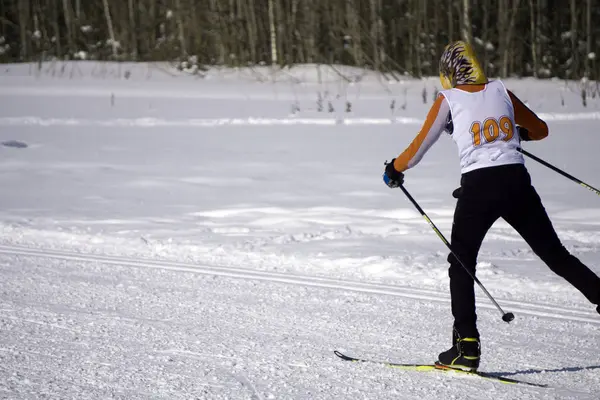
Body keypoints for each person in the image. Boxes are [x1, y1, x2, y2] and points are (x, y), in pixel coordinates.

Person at [382, 40, 600, 371]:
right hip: (516, 183)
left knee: (462, 263)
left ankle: (465, 348)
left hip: (479, 190)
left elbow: (417, 148)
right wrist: (514, 134)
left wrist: (393, 169)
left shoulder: (448, 99)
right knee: (555, 255)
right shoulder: (501, 91)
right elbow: (540, 130)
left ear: (449, 74)